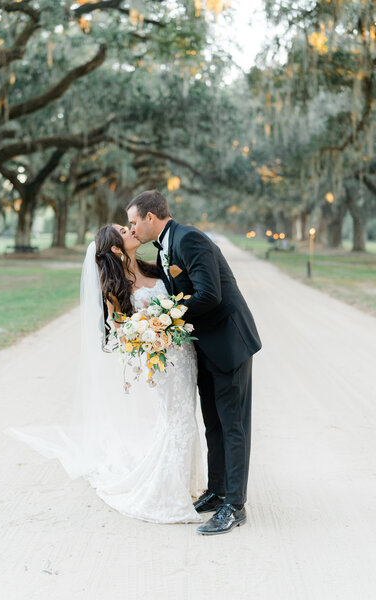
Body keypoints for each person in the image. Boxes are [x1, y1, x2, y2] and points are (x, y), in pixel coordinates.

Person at [5, 223, 205, 524]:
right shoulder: (115, 286)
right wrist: (148, 335)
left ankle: (185, 484)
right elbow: (124, 331)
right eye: (125, 230)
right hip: (160, 359)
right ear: (114, 248)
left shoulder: (157, 269)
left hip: (184, 355)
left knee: (187, 415)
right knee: (177, 419)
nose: (133, 230)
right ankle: (169, 492)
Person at [127, 190, 262, 535]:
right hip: (206, 346)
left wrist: (165, 316)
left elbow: (210, 293)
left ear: (150, 218)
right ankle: (217, 492)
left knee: (233, 425)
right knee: (213, 423)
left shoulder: (189, 239)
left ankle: (235, 504)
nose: (133, 228)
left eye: (133, 222)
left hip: (229, 342)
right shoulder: (165, 246)